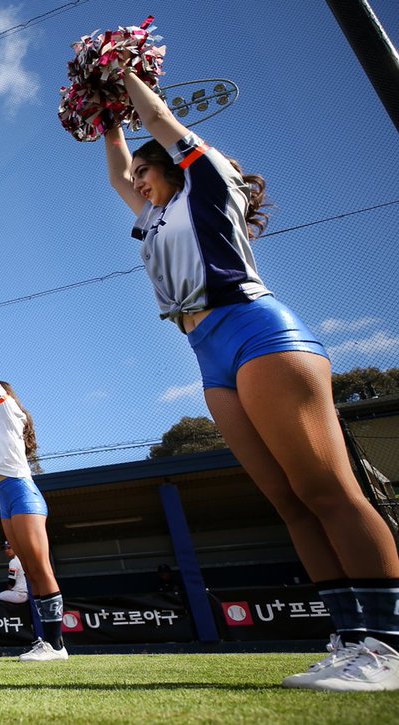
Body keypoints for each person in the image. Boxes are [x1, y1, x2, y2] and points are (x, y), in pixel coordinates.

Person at [101, 65, 399, 691]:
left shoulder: (204, 185)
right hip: (206, 354)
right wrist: (103, 119)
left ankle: (389, 646)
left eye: (145, 170)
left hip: (257, 332)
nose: (137, 180)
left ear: (176, 163)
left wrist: (121, 73)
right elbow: (116, 173)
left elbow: (157, 122)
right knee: (288, 502)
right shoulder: (153, 215)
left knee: (327, 490)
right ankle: (349, 638)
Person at [0, 344, 66, 661]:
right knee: (29, 571)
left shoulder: (8, 412)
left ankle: (57, 645)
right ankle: (46, 641)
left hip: (22, 492)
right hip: (3, 496)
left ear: (0, 396)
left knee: (40, 567)